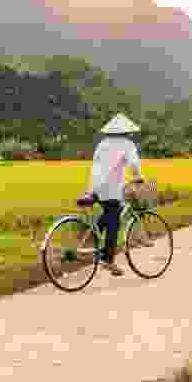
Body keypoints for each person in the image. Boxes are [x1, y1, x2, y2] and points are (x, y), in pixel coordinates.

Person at [81, 113, 145, 276]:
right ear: (127, 132)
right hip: (112, 190)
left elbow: (97, 166)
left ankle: (92, 237)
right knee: (114, 223)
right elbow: (134, 164)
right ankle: (108, 259)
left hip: (96, 188)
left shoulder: (102, 144)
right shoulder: (127, 144)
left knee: (108, 214)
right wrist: (138, 179)